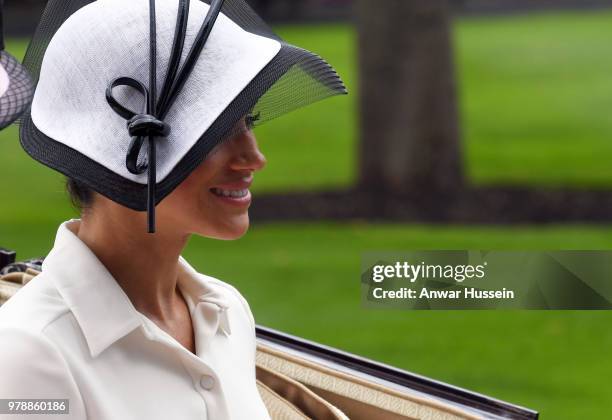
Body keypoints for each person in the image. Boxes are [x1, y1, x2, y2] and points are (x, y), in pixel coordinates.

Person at [0, 0, 346, 418]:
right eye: (215, 131)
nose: (254, 158)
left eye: (247, 122)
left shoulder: (224, 312)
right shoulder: (29, 353)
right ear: (112, 151)